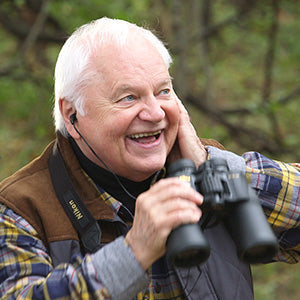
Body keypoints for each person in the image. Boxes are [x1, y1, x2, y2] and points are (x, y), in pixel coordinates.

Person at [0, 17, 299, 300]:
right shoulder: (20, 208)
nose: (155, 113)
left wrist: (220, 173)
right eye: (128, 97)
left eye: (163, 91)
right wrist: (133, 253)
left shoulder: (203, 163)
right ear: (72, 114)